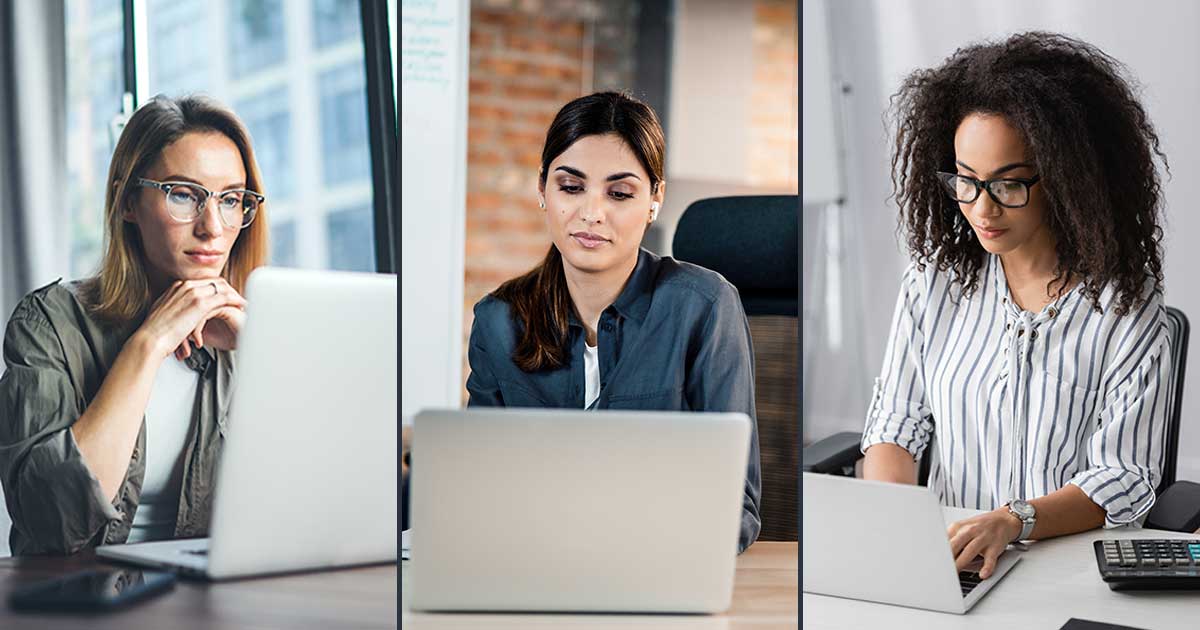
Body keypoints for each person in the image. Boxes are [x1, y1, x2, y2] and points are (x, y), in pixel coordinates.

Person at [863, 31, 1172, 578]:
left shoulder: (1127, 308)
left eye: (1008, 185)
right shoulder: (934, 284)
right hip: (949, 561)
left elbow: (1123, 476)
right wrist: (894, 529)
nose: (982, 208)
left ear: (1068, 179)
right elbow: (895, 427)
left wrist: (1014, 520)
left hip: (1066, 566)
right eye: (965, 181)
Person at [465, 91, 762, 552]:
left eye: (619, 193)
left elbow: (733, 505)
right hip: (531, 567)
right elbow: (477, 490)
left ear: (654, 199)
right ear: (542, 189)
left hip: (660, 565)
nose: (591, 213)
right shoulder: (499, 321)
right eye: (570, 187)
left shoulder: (704, 307)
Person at [0, 95, 268, 554]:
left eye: (230, 199)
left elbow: (313, 505)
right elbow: (52, 523)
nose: (213, 227)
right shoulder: (48, 323)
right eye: (183, 194)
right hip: (79, 605)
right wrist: (149, 344)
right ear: (128, 202)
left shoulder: (251, 332)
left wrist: (266, 354)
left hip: (209, 603)